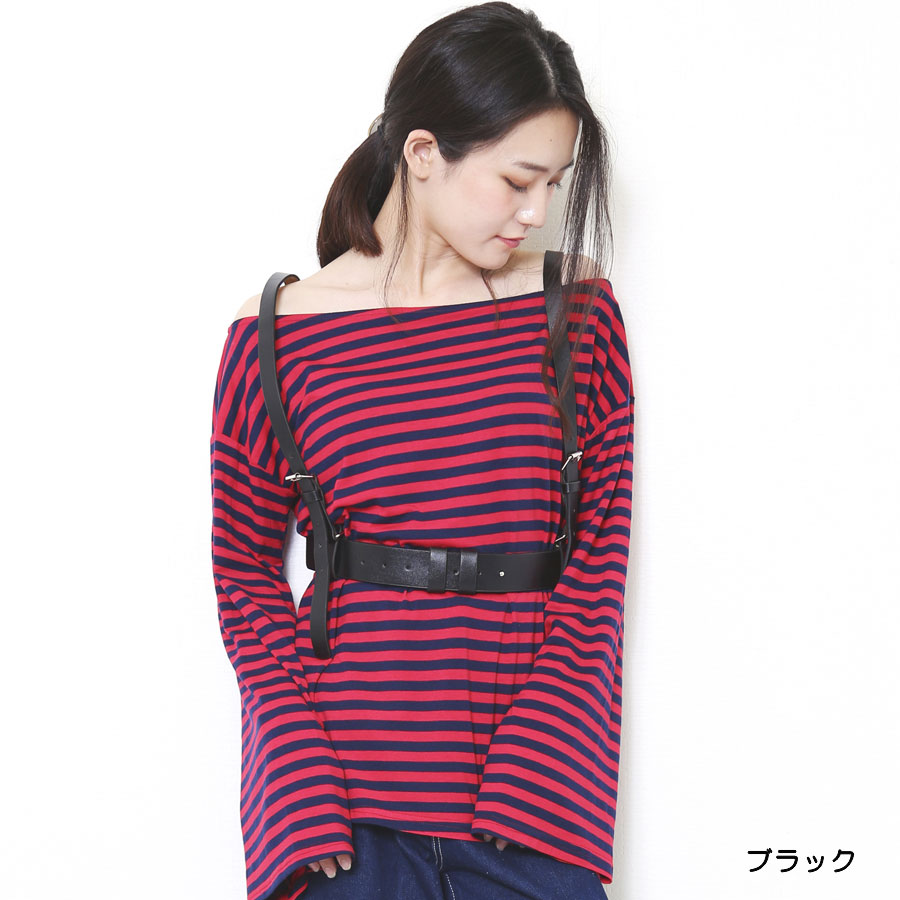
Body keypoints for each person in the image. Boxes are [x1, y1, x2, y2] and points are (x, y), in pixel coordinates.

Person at [210, 3, 635, 899]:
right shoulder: (275, 335)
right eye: (517, 179)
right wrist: (293, 779)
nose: (537, 211)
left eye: (554, 184)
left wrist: (543, 770)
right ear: (423, 152)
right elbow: (243, 572)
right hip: (342, 814)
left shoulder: (574, 311)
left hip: (532, 808)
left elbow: (599, 554)